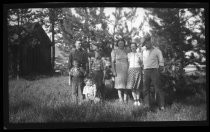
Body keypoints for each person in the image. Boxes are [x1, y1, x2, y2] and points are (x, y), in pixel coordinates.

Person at [142, 35, 165, 110]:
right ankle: (147, 105)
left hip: (154, 70)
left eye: (148, 42)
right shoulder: (143, 50)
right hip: (146, 71)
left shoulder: (157, 50)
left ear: (151, 42)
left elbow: (161, 59)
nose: (147, 43)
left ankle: (161, 106)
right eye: (146, 42)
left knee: (158, 88)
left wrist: (161, 66)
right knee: (146, 89)